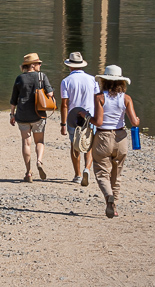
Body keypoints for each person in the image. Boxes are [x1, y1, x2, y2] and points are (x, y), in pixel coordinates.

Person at [92, 64, 140, 219]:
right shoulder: (126, 98)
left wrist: (86, 116)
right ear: (121, 82)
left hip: (103, 137)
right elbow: (134, 122)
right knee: (117, 173)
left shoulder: (100, 97)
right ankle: (115, 205)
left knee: (101, 172)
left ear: (104, 81)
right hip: (120, 138)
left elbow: (98, 122)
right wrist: (137, 120)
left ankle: (108, 197)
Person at [8, 52, 53, 182]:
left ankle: (28, 173)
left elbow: (13, 100)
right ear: (32, 65)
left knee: (26, 143)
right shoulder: (41, 76)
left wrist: (12, 114)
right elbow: (50, 93)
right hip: (38, 115)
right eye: (38, 63)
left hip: (22, 115)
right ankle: (39, 161)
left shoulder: (19, 78)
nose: (40, 65)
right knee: (39, 141)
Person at [58, 51, 99, 186]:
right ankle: (87, 169)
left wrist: (63, 124)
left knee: (75, 146)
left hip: (72, 118)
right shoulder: (93, 79)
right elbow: (98, 100)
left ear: (70, 66)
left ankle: (77, 175)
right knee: (89, 145)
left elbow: (64, 105)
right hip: (90, 116)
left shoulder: (66, 81)